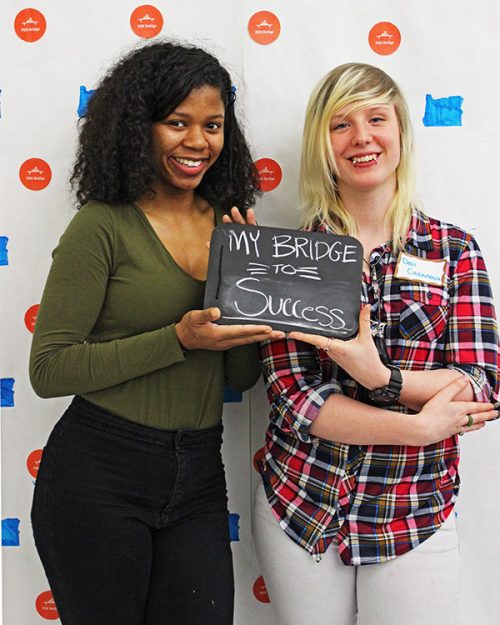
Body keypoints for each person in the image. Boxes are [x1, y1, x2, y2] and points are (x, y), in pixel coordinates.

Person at [29, 41, 284, 625]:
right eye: (178, 123)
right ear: (137, 127)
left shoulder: (230, 228)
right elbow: (48, 369)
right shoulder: (102, 226)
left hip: (198, 472)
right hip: (99, 472)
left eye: (213, 125)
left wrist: (250, 300)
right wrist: (178, 339)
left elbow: (239, 379)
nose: (198, 141)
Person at [249, 63, 499, 625]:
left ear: (401, 132)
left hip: (412, 509)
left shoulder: (453, 249)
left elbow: (480, 383)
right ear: (323, 145)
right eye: (341, 124)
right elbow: (297, 401)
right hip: (303, 504)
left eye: (376, 118)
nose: (361, 137)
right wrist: (417, 424)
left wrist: (377, 375)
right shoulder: (290, 256)